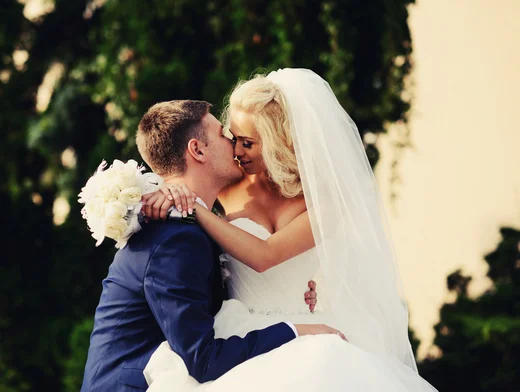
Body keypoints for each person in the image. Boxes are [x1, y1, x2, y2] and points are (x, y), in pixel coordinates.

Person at [141, 69, 438, 391]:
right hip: (242, 333)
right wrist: (172, 194)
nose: (236, 150)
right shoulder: (229, 184)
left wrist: (194, 207)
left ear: (278, 142)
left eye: (247, 142)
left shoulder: (325, 202)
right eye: (233, 138)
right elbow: (180, 178)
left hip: (310, 327)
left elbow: (267, 255)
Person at [80, 100, 343, 392]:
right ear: (198, 149)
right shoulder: (175, 237)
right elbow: (203, 360)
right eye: (224, 135)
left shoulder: (189, 224)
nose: (234, 146)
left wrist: (290, 288)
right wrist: (294, 330)